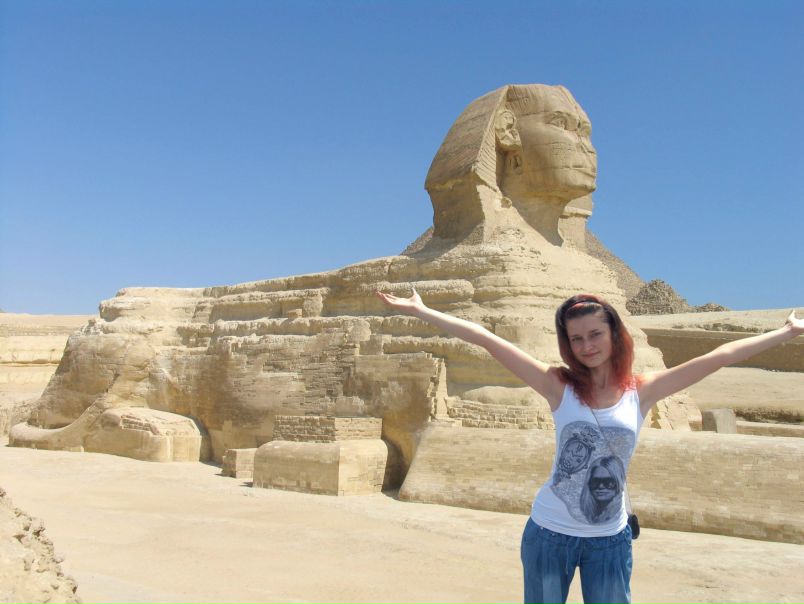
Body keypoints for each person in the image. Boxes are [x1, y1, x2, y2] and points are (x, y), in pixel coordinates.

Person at [374, 289, 803, 604]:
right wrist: (422, 310)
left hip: (609, 540)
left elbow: (720, 356)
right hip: (549, 534)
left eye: (595, 334)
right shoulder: (557, 385)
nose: (587, 346)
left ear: (615, 334)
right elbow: (486, 339)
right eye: (576, 339)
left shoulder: (643, 391)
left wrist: (786, 333)